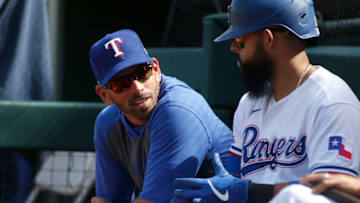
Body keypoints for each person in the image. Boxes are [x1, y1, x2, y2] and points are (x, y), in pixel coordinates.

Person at [173, 0, 360, 202]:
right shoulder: (249, 104)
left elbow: (330, 192)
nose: (233, 48)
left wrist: (248, 193)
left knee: (296, 196)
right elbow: (234, 182)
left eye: (240, 40)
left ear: (268, 38)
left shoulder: (331, 101)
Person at [88, 29, 232, 203]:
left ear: (156, 70)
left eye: (142, 72)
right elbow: (108, 200)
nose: (137, 87)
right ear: (104, 95)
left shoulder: (177, 111)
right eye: (121, 83)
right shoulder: (108, 124)